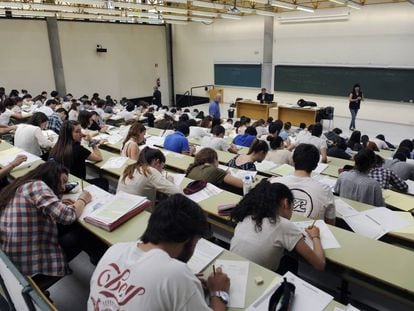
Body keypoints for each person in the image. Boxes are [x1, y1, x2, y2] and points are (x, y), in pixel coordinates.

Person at [88, 194, 230, 311]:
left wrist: (184, 283)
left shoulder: (115, 249)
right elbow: (167, 277)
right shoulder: (175, 273)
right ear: (188, 239)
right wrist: (218, 292)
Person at [0, 162, 92, 286]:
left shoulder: (22, 186)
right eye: (64, 181)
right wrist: (83, 199)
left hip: (13, 263)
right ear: (53, 175)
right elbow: (68, 216)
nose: (64, 187)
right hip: (32, 267)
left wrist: (56, 201)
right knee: (82, 233)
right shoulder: (37, 185)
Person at [230, 180, 325, 273]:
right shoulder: (283, 225)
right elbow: (320, 264)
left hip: (233, 269)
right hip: (258, 280)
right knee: (291, 263)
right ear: (286, 203)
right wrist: (315, 236)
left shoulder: (248, 215)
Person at [270, 144, 336, 225]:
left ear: (293, 162)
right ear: (315, 166)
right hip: (310, 233)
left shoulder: (274, 182)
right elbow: (330, 223)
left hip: (276, 231)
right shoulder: (325, 190)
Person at [49, 121, 105, 187]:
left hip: (63, 182)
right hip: (77, 184)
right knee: (104, 181)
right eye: (77, 132)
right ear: (68, 134)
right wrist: (91, 141)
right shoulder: (77, 149)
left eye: (80, 131)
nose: (81, 134)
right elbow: (99, 157)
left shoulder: (57, 147)